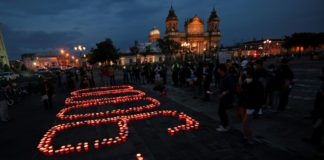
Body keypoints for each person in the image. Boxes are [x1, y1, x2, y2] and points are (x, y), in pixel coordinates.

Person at [238, 69, 264, 144]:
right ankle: (246, 136)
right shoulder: (247, 82)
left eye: (248, 76)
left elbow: (259, 97)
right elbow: (241, 89)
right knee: (245, 123)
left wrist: (258, 108)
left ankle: (250, 139)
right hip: (247, 104)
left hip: (252, 106)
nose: (247, 77)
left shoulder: (257, 84)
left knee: (245, 123)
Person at [216, 64, 236, 132]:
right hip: (223, 97)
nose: (217, 71)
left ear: (221, 70)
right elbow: (222, 86)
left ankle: (225, 126)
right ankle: (225, 124)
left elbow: (231, 87)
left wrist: (224, 93)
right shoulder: (223, 77)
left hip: (227, 98)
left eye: (218, 69)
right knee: (221, 111)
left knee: (221, 111)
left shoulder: (228, 77)